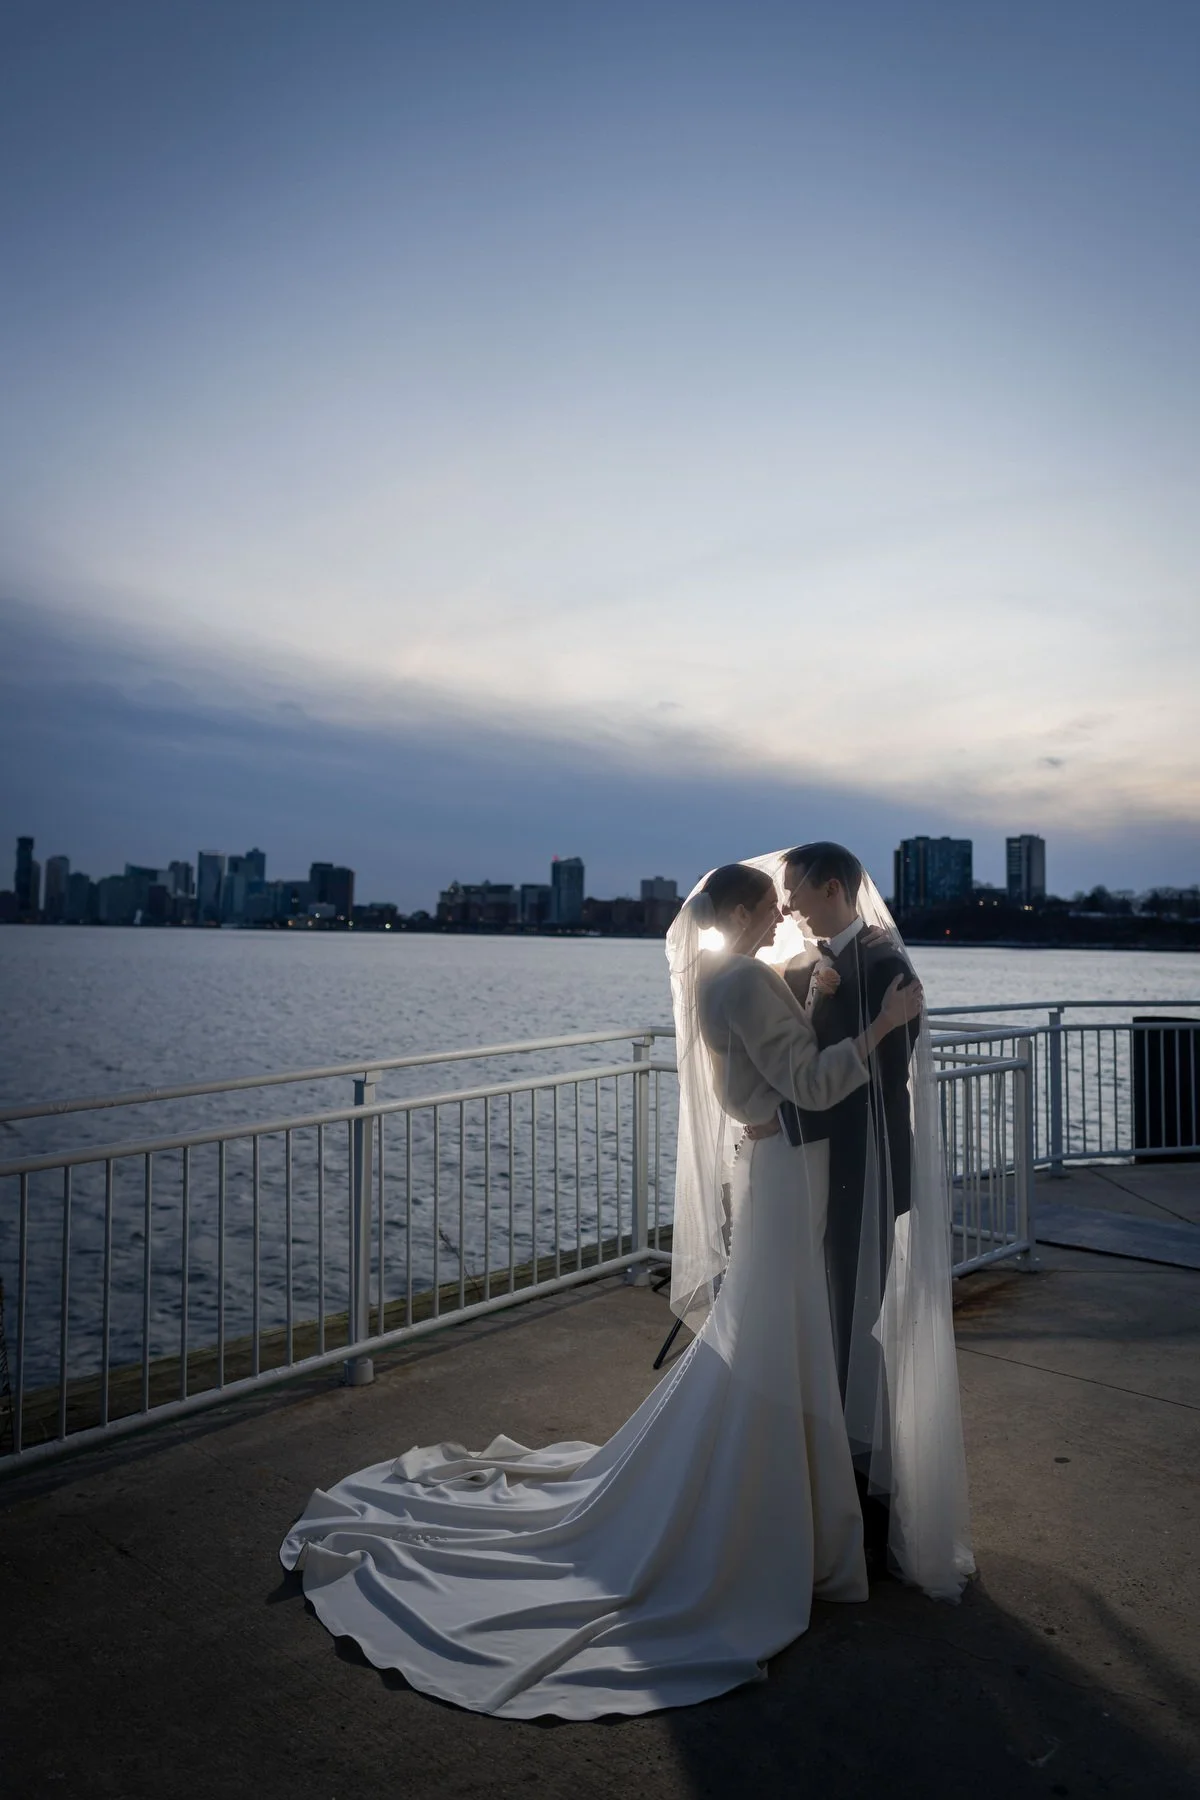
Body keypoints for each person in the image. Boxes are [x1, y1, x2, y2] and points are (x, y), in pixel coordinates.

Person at [279, 857, 949, 1721]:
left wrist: (806, 977)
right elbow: (814, 1082)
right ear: (746, 912)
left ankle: (797, 1493)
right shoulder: (746, 981)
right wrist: (881, 1023)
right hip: (783, 1172)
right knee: (783, 1333)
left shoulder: (722, 975)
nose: (784, 911)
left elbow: (765, 1008)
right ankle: (776, 1512)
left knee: (771, 1333)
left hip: (768, 1165)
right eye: (770, 904)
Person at [776, 841, 922, 1573]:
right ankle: (833, 1481)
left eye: (795, 888)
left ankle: (866, 1495)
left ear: (832, 886)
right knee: (828, 1326)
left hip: (865, 1169)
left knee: (854, 1327)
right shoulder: (810, 967)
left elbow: (880, 1081)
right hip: (814, 1169)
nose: (788, 902)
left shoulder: (886, 965)